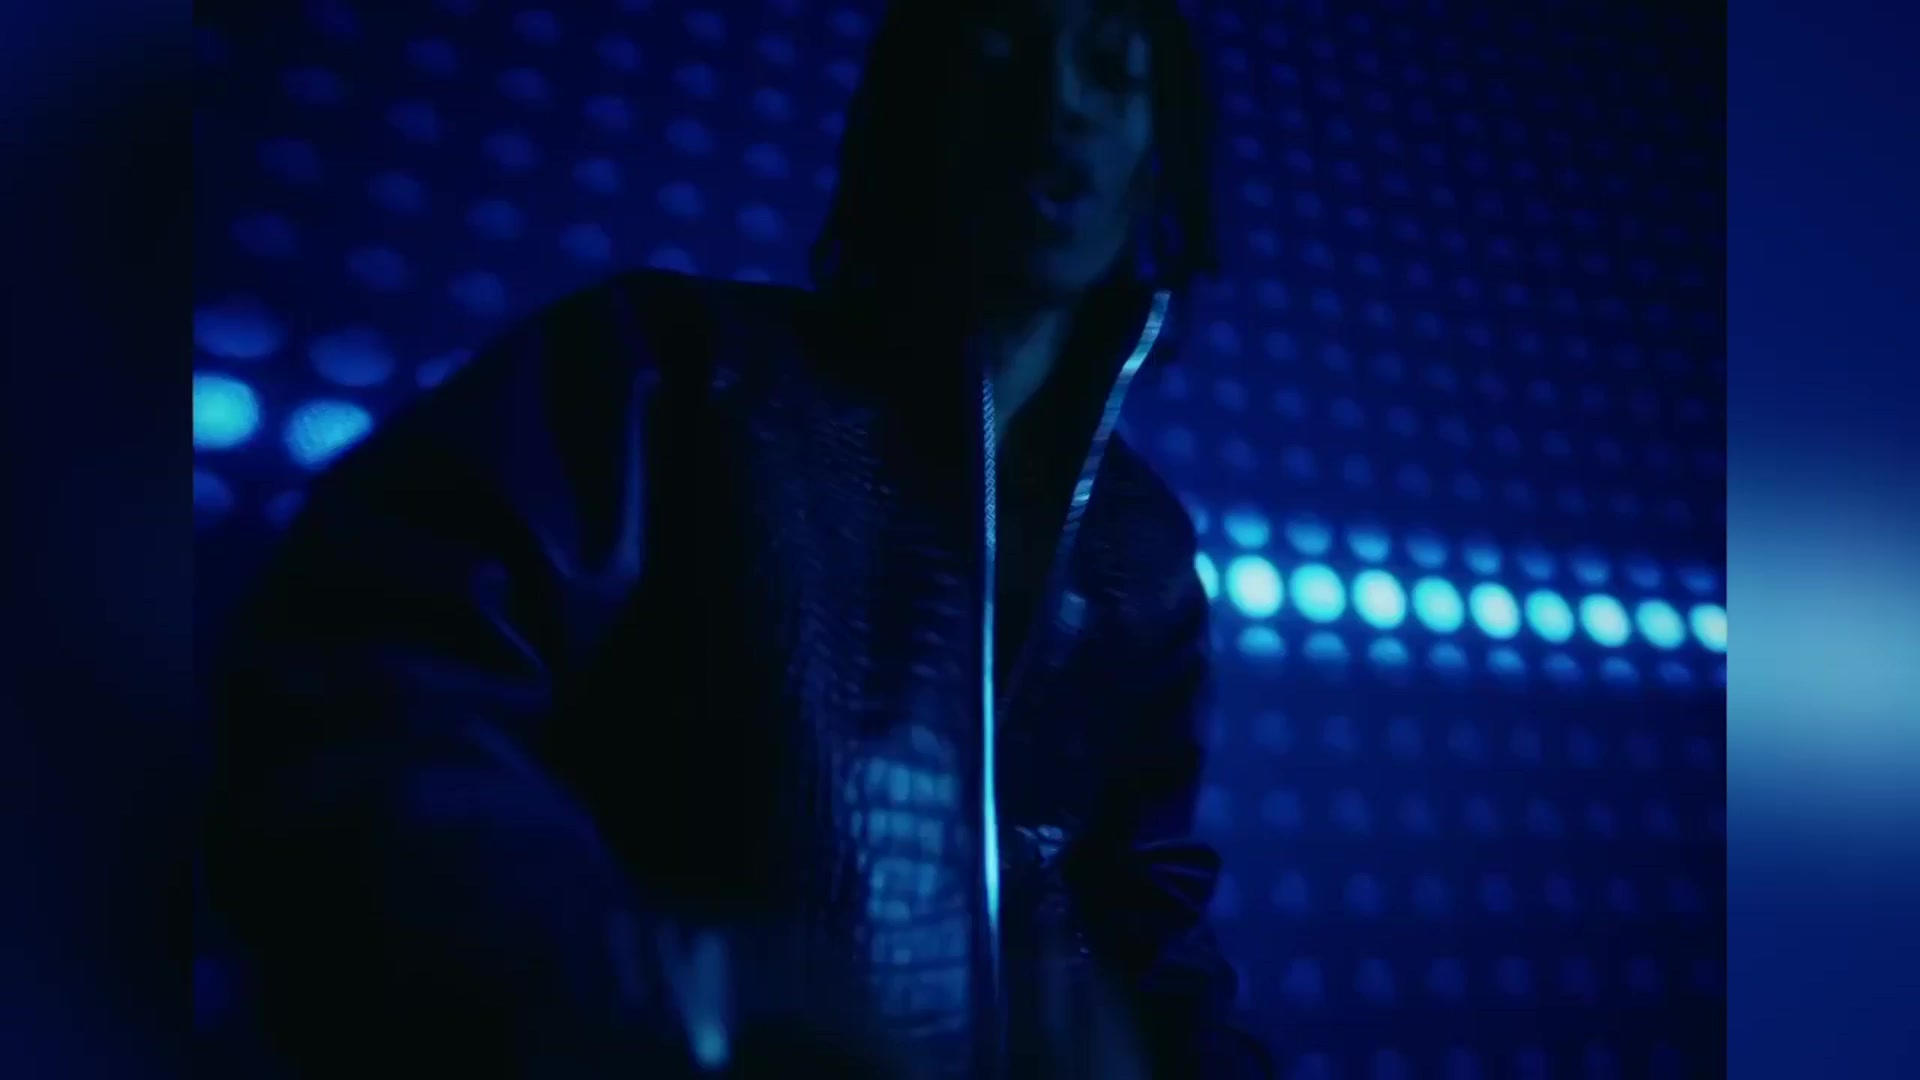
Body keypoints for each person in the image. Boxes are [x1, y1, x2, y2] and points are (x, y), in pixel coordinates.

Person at [205, 1, 1269, 1076]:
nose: (1061, 101)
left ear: (1159, 151)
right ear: (919, 105)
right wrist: (690, 1000)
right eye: (1000, 51)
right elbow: (353, 698)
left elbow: (1145, 911)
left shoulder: (1145, 552)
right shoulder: (662, 372)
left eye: (1112, 71)